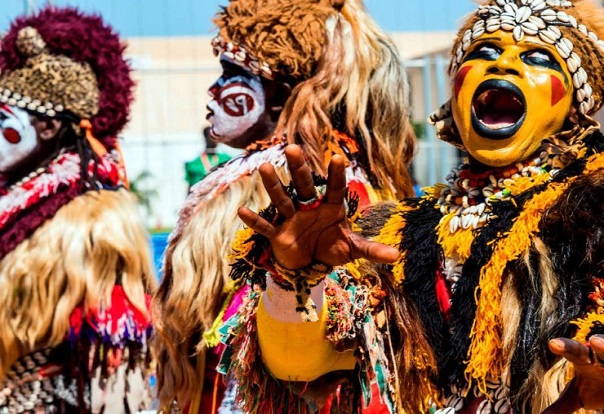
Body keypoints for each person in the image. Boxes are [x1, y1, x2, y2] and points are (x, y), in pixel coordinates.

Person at [227, 0, 604, 412]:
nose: (502, 67)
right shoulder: (394, 232)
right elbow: (300, 368)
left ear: (573, 106)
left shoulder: (592, 218)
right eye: (484, 53)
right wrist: (296, 279)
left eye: (536, 58)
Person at [152, 0, 417, 412]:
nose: (213, 90)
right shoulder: (245, 176)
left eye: (231, 74)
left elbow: (340, 346)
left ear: (280, 92)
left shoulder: (332, 189)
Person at [0, 7, 156, 413]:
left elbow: (113, 368)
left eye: (2, 119)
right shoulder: (17, 209)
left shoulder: (93, 221)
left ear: (49, 128)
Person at [184, 126, 231, 191]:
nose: (213, 140)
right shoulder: (194, 164)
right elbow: (190, 188)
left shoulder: (226, 159)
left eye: (215, 137)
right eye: (210, 137)